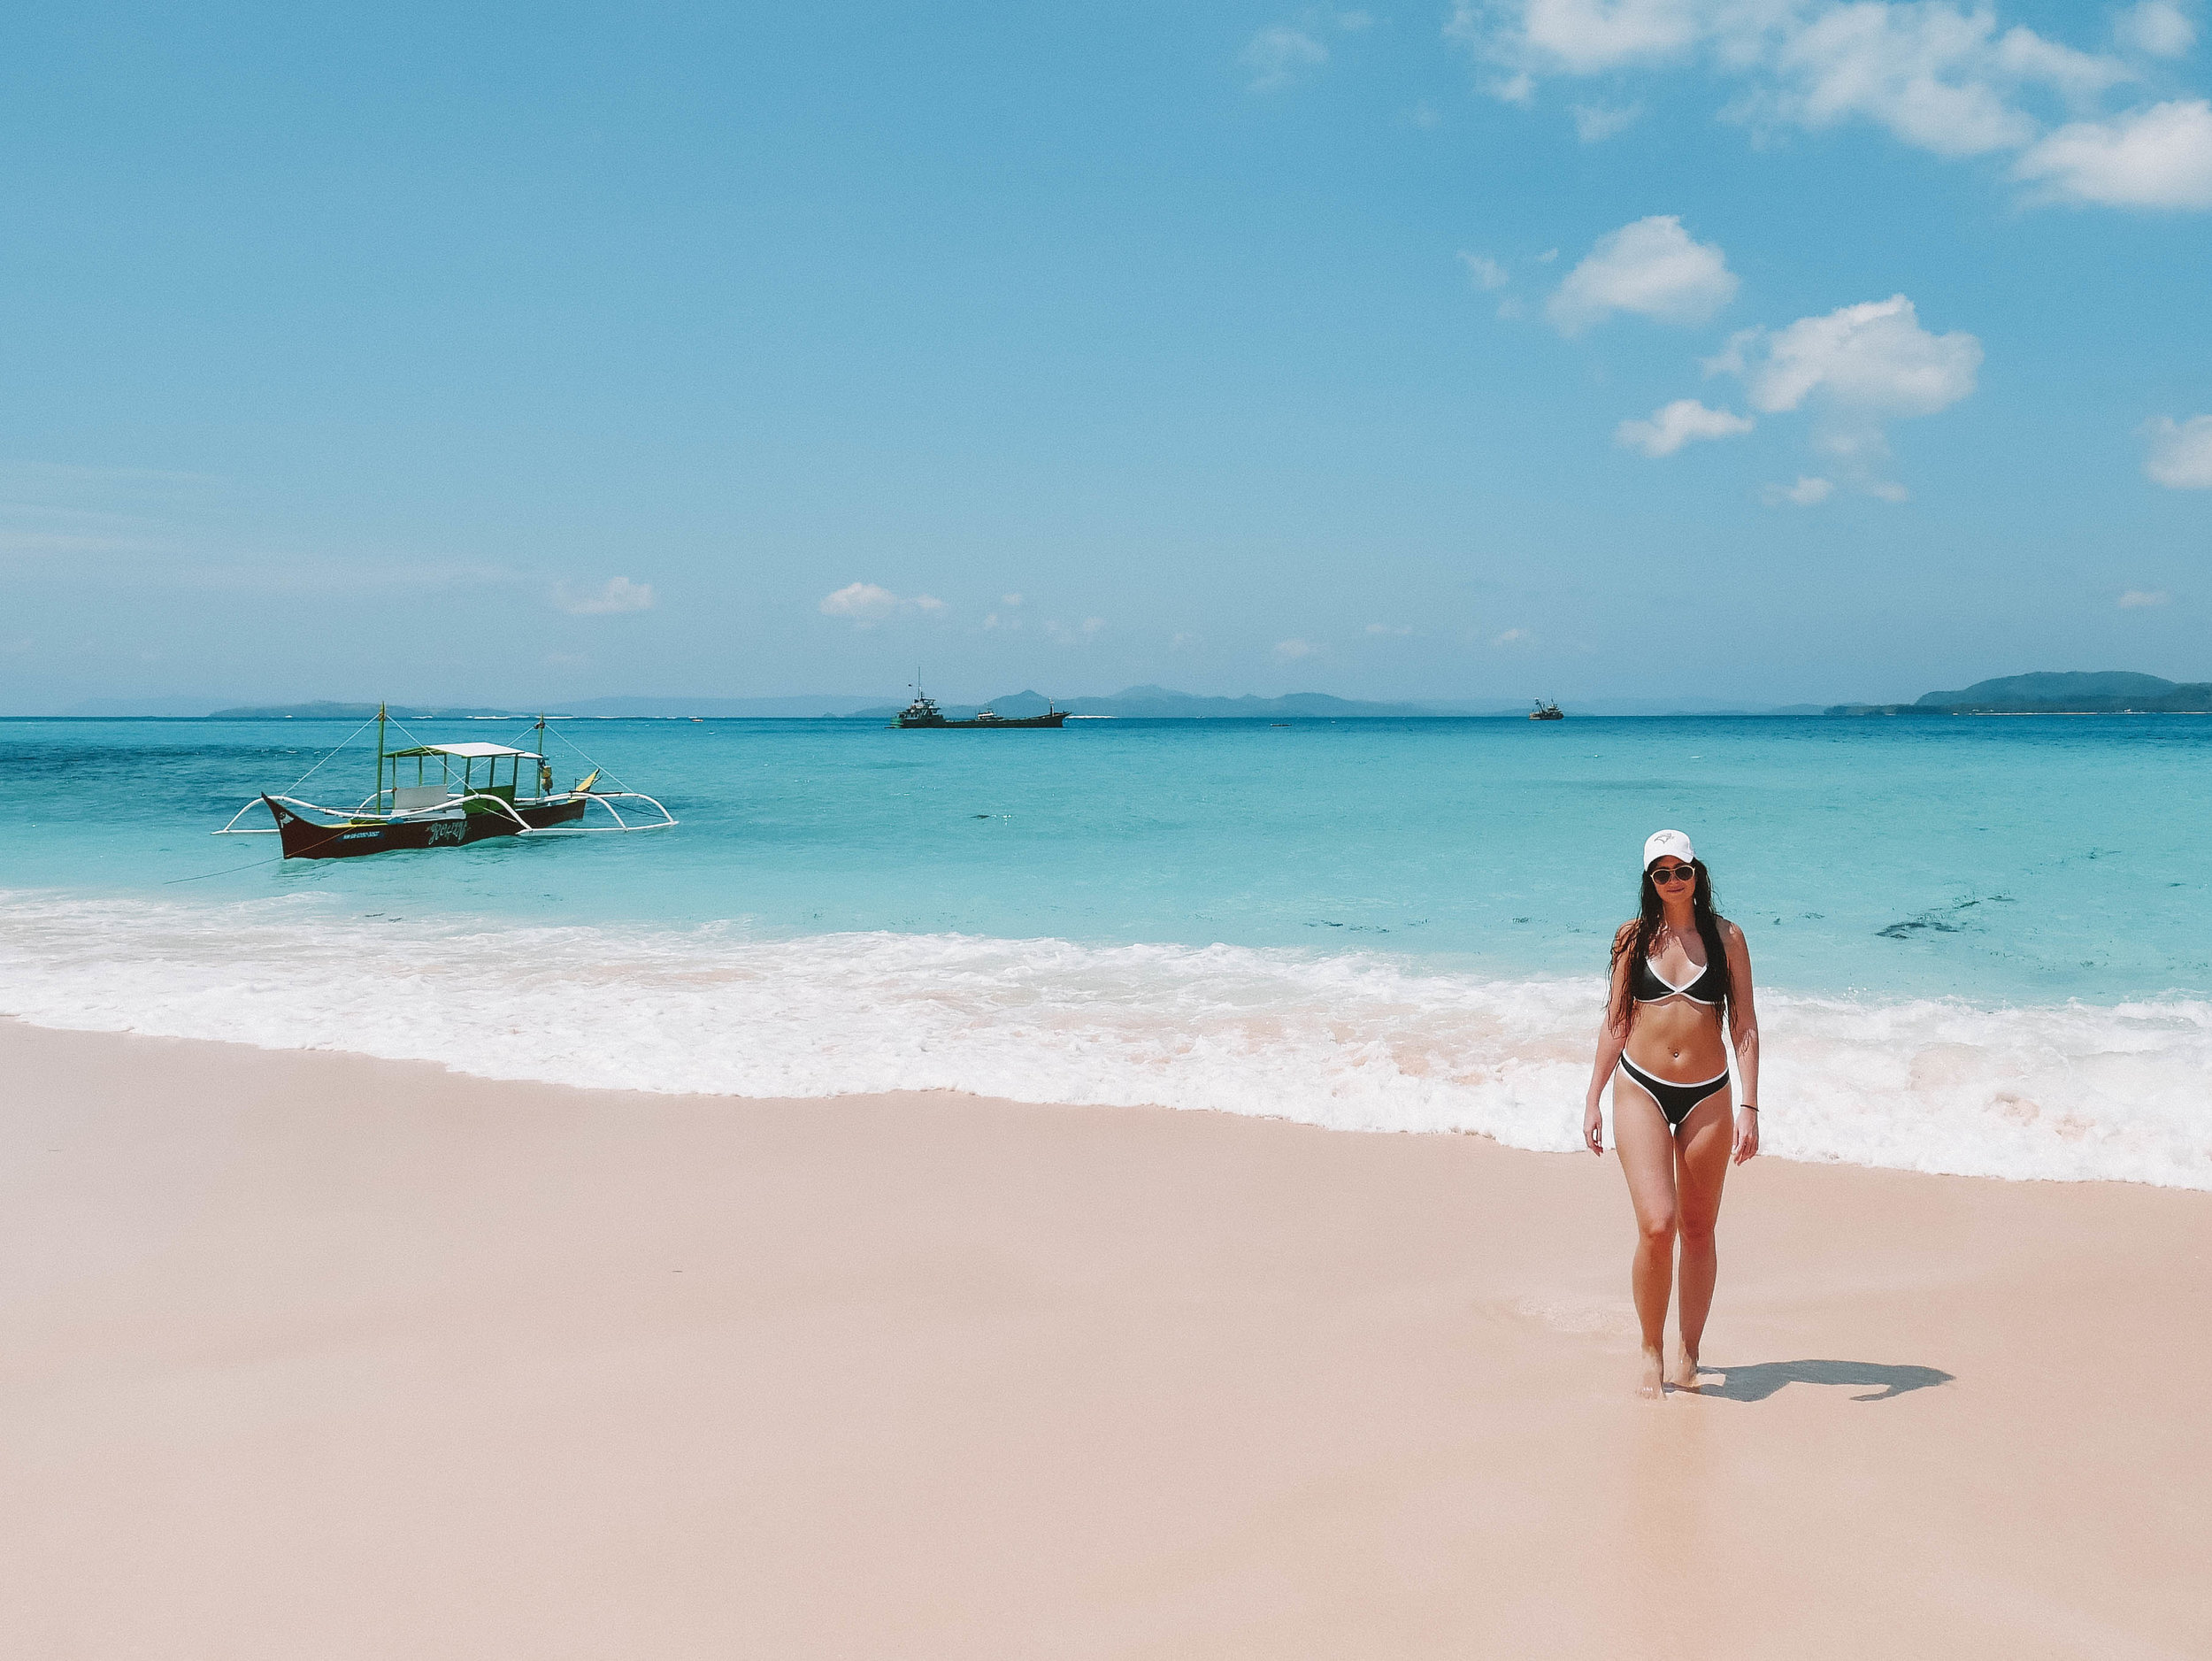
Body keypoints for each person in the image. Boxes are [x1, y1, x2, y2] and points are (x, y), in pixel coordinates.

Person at [1582, 830, 1761, 1399]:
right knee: (1658, 1225)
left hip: (1709, 1092)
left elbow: (1745, 1026)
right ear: (1649, 882)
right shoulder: (1632, 939)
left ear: (1696, 871)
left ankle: (1690, 1350)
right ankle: (1649, 1350)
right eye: (1660, 874)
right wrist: (1592, 1097)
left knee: (1699, 1228)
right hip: (1641, 1089)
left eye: (1680, 869)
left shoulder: (1728, 938)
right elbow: (1616, 1023)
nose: (1672, 881)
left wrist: (1750, 1107)